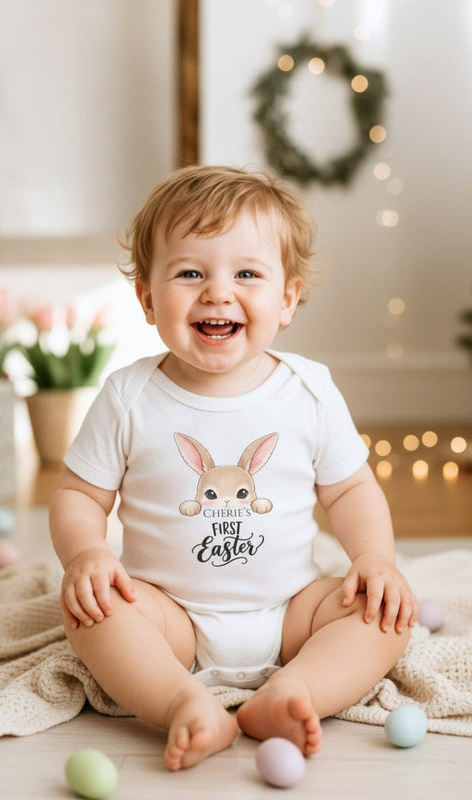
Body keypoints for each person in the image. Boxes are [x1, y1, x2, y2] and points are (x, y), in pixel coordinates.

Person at [49, 165, 417, 772]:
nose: (218, 292)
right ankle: (182, 701)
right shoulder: (129, 396)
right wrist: (87, 555)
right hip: (171, 619)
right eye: (190, 272)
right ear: (147, 298)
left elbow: (351, 488)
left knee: (384, 615)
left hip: (294, 612)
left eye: (246, 273)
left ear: (288, 298)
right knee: (94, 613)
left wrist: (373, 561)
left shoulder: (309, 390)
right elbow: (78, 496)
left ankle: (294, 692)